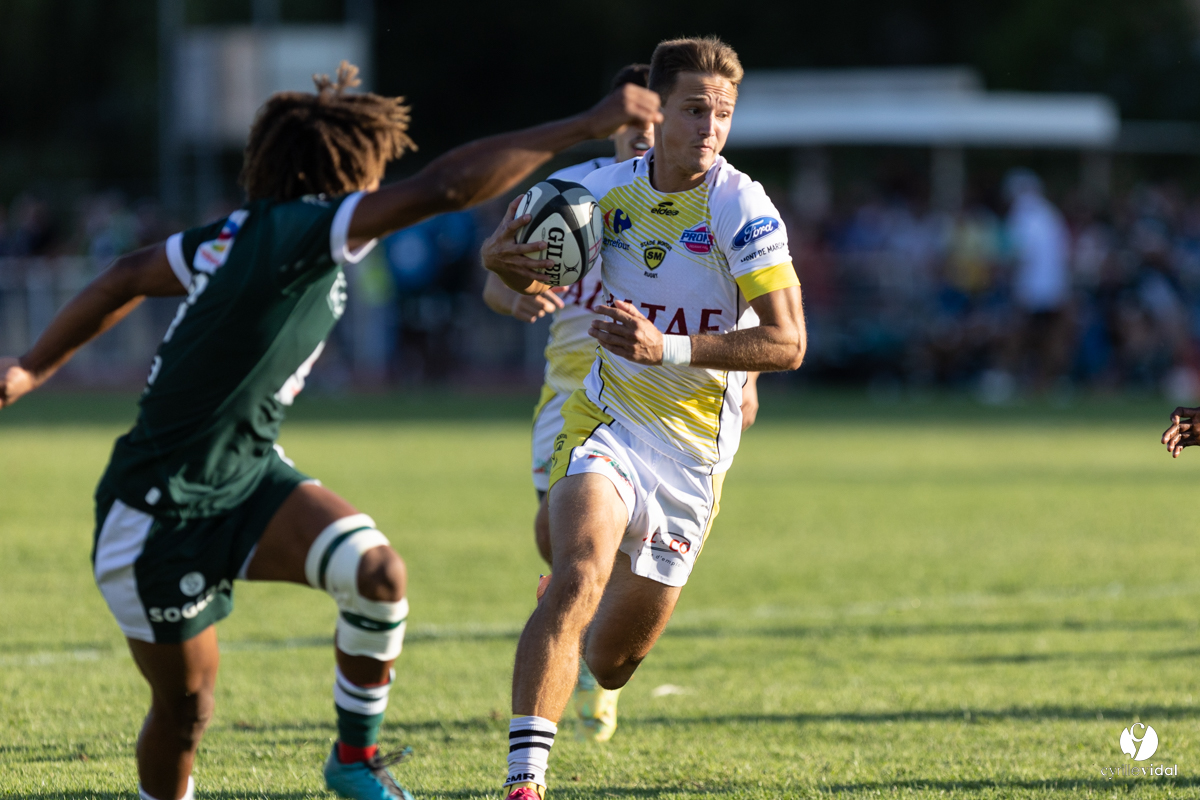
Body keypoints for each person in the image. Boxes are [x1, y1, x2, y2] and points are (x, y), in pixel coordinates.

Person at [0, 62, 660, 800]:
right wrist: (581, 127)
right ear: (343, 167)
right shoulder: (304, 230)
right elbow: (443, 187)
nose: (383, 176)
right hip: (155, 511)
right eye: (374, 161)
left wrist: (30, 366)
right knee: (187, 711)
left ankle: (352, 760)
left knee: (378, 576)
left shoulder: (251, 233)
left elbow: (127, 273)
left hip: (247, 474)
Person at [482, 37, 805, 799]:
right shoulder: (595, 190)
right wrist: (502, 258)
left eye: (724, 113)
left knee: (612, 662)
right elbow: (506, 265)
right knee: (579, 570)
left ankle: (579, 631)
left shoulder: (741, 205)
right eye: (696, 110)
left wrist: (670, 347)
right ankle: (525, 782)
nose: (711, 128)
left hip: (692, 454)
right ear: (657, 113)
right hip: (605, 420)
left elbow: (789, 343)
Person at [1004, 168, 1073, 393]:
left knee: (1020, 334)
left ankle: (1011, 380)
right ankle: (1048, 382)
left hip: (1031, 286)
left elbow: (1020, 254)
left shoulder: (1021, 214)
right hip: (1054, 286)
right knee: (1049, 337)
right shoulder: (1051, 214)